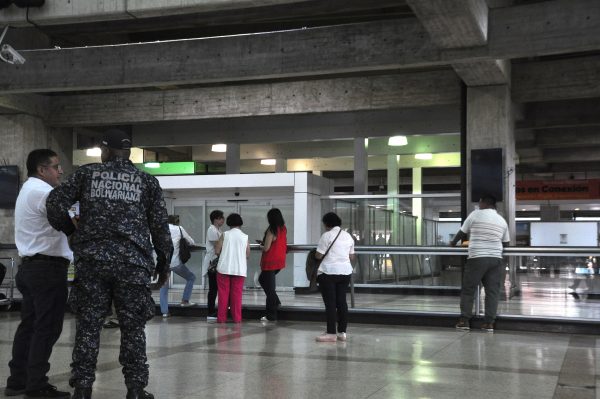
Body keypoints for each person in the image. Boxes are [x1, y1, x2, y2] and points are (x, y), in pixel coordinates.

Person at [46, 129, 173, 399]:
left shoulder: (86, 174)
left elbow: (55, 202)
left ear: (105, 150)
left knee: (89, 325)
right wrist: (163, 265)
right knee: (133, 327)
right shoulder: (146, 181)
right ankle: (136, 389)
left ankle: (82, 387)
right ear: (128, 153)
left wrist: (72, 231)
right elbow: (161, 228)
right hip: (132, 264)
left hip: (93, 262)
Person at [5, 149, 72, 398]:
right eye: (56, 166)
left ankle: (17, 381)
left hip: (31, 268)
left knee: (30, 327)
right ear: (42, 170)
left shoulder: (27, 189)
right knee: (47, 328)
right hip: (47, 270)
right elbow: (71, 222)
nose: (61, 171)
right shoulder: (45, 193)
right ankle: (36, 384)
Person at [450, 194, 510, 333]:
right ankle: (489, 323)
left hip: (477, 257)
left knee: (468, 290)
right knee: (492, 292)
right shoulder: (502, 220)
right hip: (495, 259)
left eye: (479, 202)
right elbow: (506, 243)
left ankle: (464, 321)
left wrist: (452, 243)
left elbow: (461, 232)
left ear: (483, 203)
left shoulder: (475, 214)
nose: (478, 205)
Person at [314, 212, 355, 342]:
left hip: (328, 272)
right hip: (345, 273)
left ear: (327, 224)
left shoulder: (326, 236)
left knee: (330, 303)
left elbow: (318, 256)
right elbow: (351, 256)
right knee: (341, 302)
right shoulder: (348, 236)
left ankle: (331, 333)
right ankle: (342, 332)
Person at [214, 213, 249, 323]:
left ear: (229, 223)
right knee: (237, 295)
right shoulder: (245, 237)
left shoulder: (224, 235)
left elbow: (217, 251)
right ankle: (237, 319)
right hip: (239, 270)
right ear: (240, 223)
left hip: (224, 268)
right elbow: (247, 254)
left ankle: (221, 318)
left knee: (223, 295)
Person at [160, 215, 196, 317]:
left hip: (163, 263)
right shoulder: (179, 228)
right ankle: (185, 300)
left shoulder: (161, 229)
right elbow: (191, 241)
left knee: (164, 287)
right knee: (191, 277)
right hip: (175, 262)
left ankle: (165, 312)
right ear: (177, 221)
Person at [258, 208, 287, 322]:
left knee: (270, 289)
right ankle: (277, 301)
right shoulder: (283, 228)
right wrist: (264, 242)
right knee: (262, 279)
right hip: (279, 260)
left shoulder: (272, 229)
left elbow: (266, 248)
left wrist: (261, 246)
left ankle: (271, 315)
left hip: (270, 261)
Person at [201, 210, 224, 321]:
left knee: (217, 288)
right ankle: (210, 312)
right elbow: (217, 246)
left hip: (217, 262)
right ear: (215, 219)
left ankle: (215, 310)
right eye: (221, 218)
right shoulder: (211, 230)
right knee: (213, 289)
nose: (222, 220)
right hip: (212, 263)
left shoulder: (218, 230)